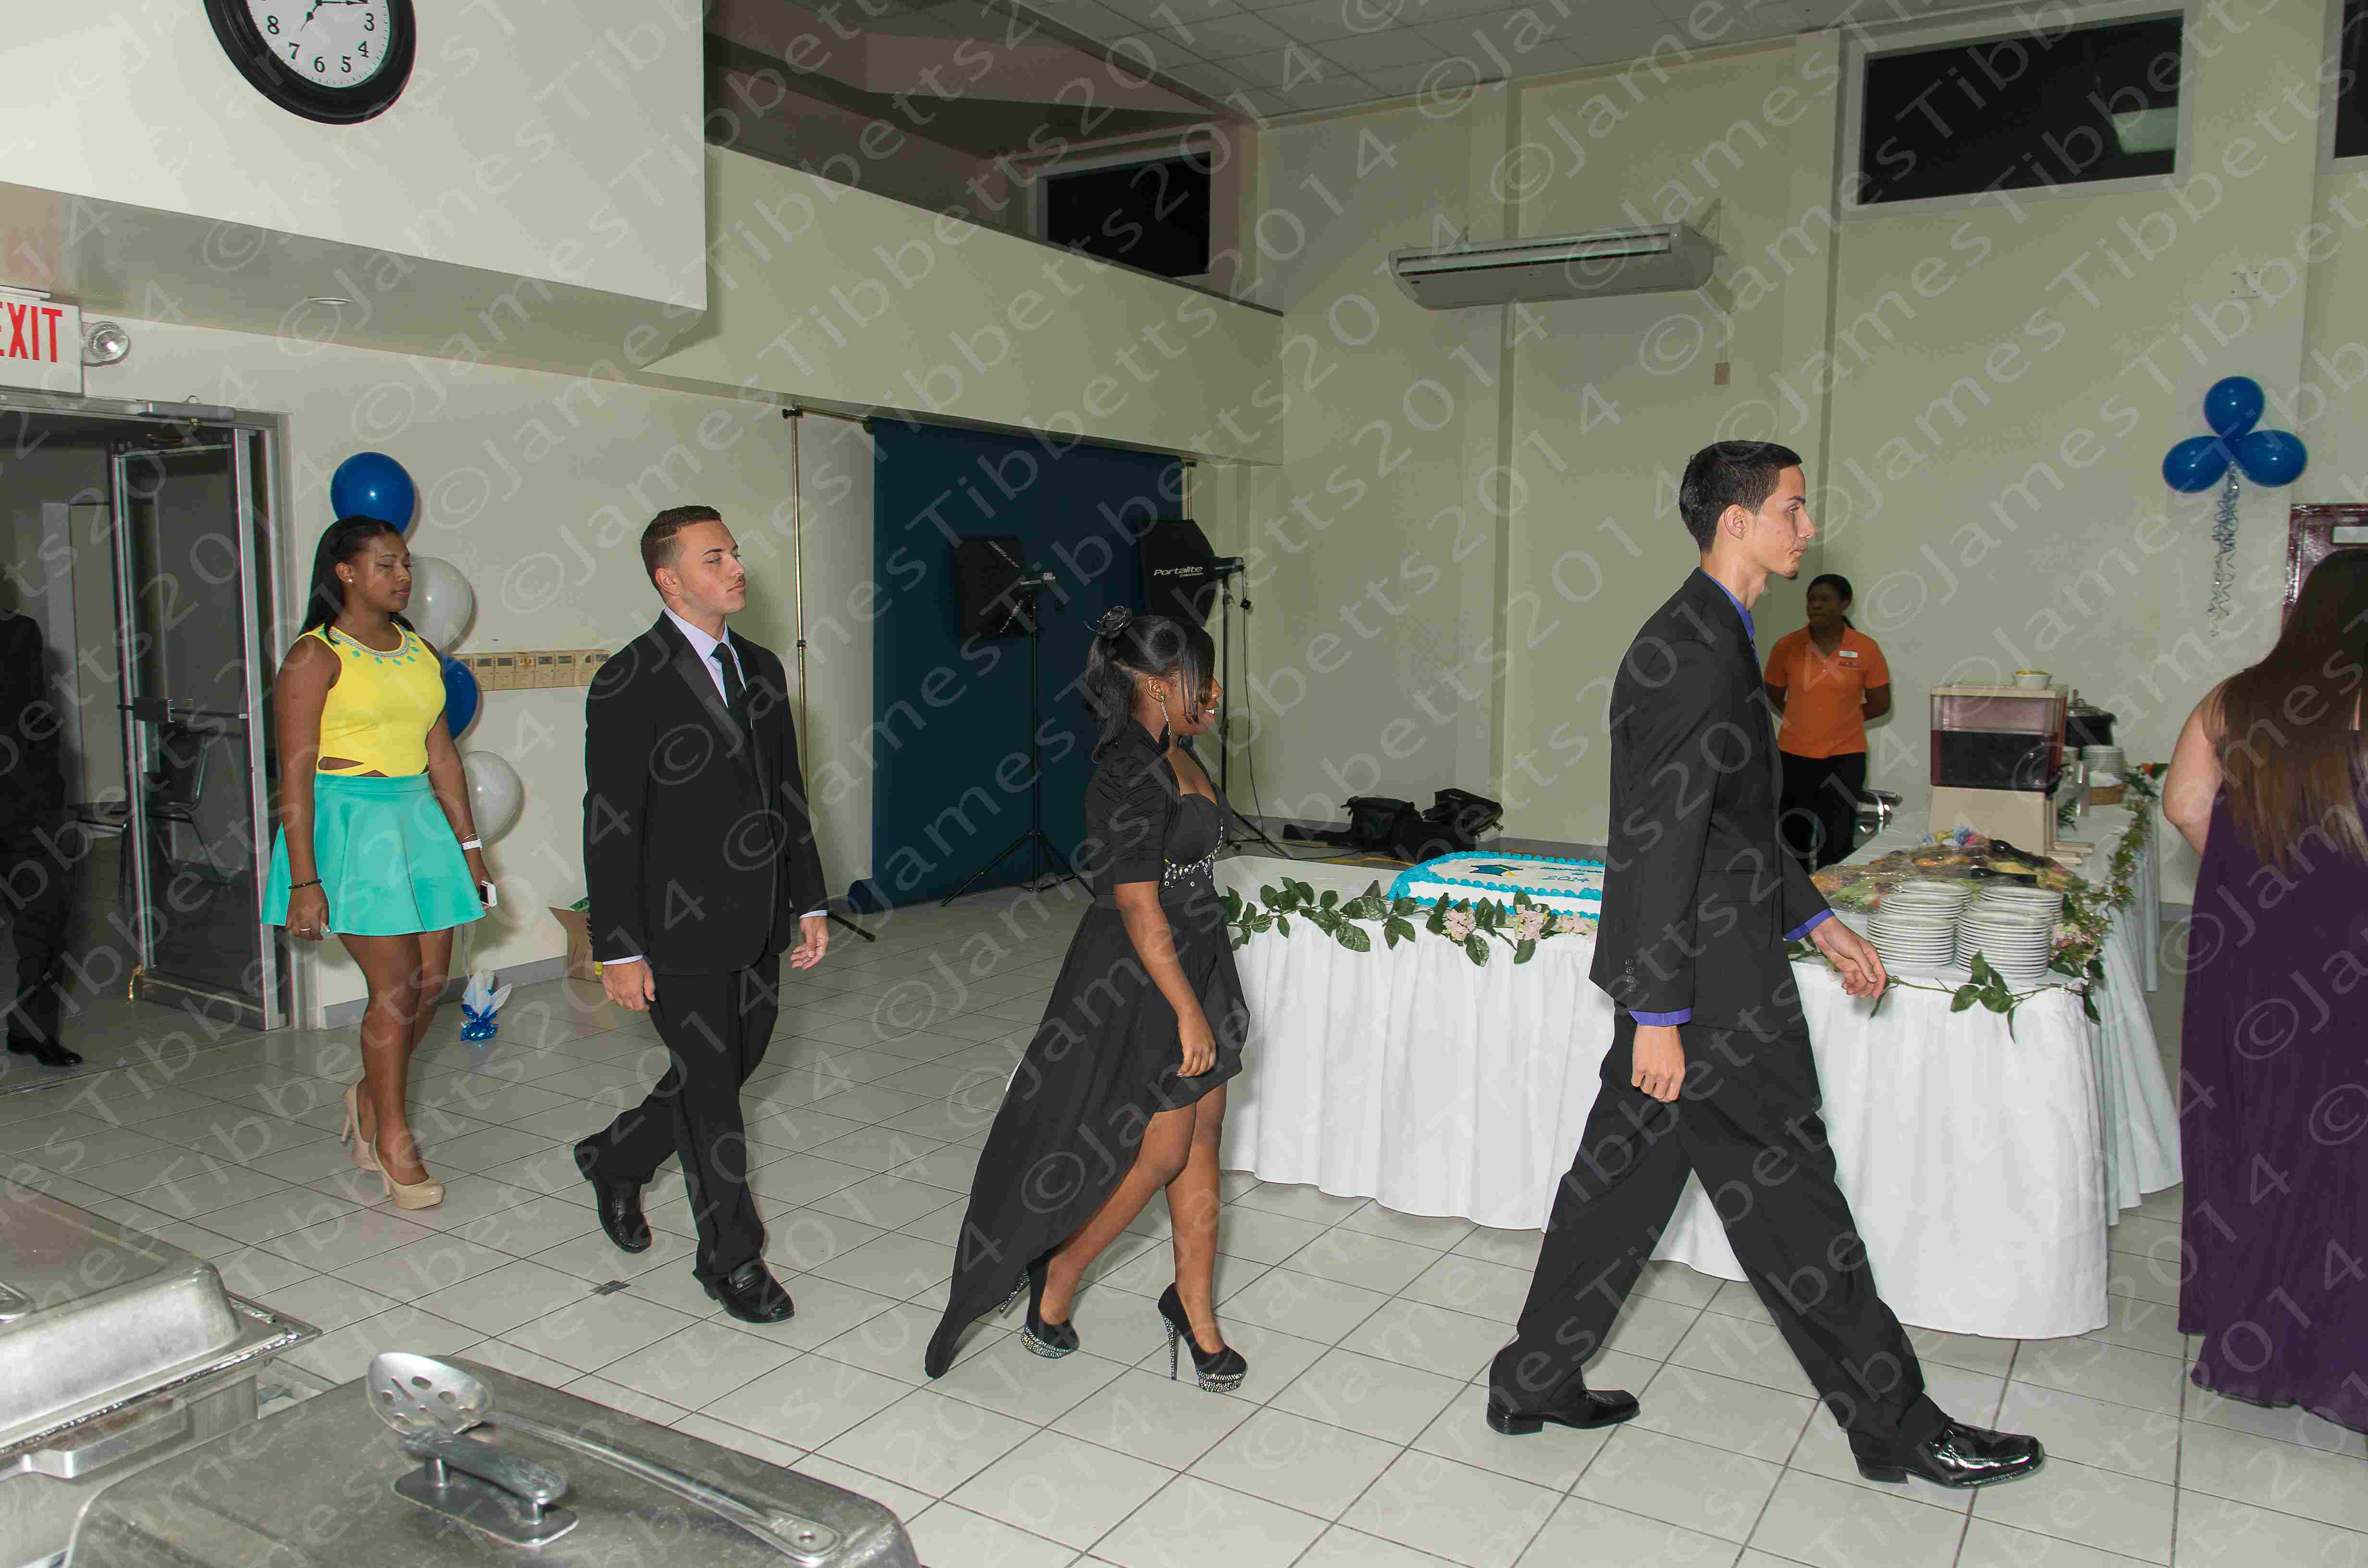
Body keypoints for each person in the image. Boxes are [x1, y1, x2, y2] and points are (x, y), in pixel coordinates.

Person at [1484, 441, 2044, 1490]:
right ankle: (1897, 1424)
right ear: (1734, 521)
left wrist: (1816, 919)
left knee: (1615, 1190)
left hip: (1701, 965)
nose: (1807, 526)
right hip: (1709, 990)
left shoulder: (1720, 635)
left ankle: (1532, 1377)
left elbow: (1731, 825)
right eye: (1791, 507)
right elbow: (1658, 839)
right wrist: (1660, 1012)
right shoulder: (1691, 651)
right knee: (1793, 1203)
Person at [923, 607, 1250, 1386]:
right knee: (1162, 1148)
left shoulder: (1178, 753)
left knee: (1202, 1137)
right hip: (1145, 975)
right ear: (1157, 682)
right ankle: (1059, 1273)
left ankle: (1193, 1307)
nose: (1212, 692)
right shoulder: (1126, 770)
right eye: (1199, 678)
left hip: (1198, 955)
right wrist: (1187, 1009)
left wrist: (1204, 989)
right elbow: (1136, 904)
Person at [574, 505, 832, 1326]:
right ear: (669, 579)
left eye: (734, 552)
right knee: (713, 1096)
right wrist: (617, 945)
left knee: (731, 1065)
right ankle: (732, 1258)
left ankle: (617, 1157)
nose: (736, 567)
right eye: (713, 557)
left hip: (756, 917)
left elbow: (786, 788)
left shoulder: (761, 667)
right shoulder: (629, 678)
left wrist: (808, 895)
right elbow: (610, 820)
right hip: (672, 927)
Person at [2162, 549, 2368, 1434]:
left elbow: (2183, 804)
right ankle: (2336, 1344)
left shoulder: (2234, 699)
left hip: (2254, 956)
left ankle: (2249, 1322)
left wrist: (2257, 879)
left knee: (2256, 1126)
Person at [264, 518, 492, 1209]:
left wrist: (471, 848)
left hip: (419, 822)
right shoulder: (315, 656)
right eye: (387, 565)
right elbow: (294, 774)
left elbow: (442, 756)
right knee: (393, 988)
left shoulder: (418, 651)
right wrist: (305, 879)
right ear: (346, 572)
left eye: (406, 565)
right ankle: (392, 1138)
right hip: (350, 825)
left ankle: (368, 1093)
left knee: (430, 984)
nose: (403, 577)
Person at [1765, 573, 1891, 870]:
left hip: (1844, 759)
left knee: (1837, 841)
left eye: (1825, 599)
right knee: (1792, 837)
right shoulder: (1788, 646)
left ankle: (1831, 898)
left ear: (1845, 604)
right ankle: (1793, 898)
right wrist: (1801, 716)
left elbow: (1881, 703)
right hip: (1794, 758)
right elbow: (1772, 693)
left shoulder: (1865, 648)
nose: (1816, 605)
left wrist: (1842, 718)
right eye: (1812, 600)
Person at [0, 607, 78, 1069]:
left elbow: (36, 712)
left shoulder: (19, 632)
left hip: (30, 804)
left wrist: (51, 794)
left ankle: (33, 1031)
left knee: (46, 920)